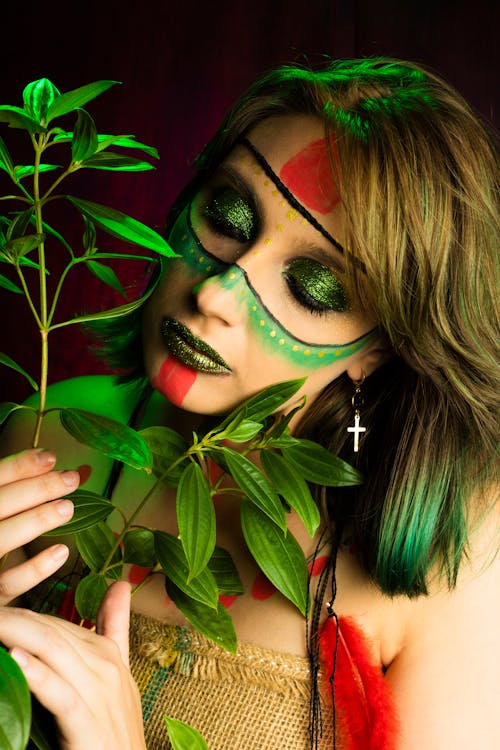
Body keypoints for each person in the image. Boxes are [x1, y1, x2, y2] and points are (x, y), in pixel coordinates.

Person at [0, 56, 498, 749]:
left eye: (315, 286)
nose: (216, 294)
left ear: (388, 347)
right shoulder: (44, 430)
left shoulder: (463, 552)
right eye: (229, 214)